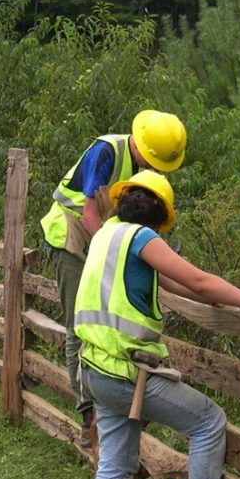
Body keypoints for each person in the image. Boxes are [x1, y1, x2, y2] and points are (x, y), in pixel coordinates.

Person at [75, 170, 240, 479]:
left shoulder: (108, 234)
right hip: (126, 373)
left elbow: (170, 281)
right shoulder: (142, 238)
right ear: (161, 217)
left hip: (95, 368)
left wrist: (223, 299)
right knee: (208, 421)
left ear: (123, 202)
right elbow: (197, 280)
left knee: (112, 465)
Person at [40, 110, 187, 449]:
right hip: (73, 234)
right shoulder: (106, 151)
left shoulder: (143, 169)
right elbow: (90, 213)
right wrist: (113, 253)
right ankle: (87, 414)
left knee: (112, 325)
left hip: (105, 239)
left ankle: (114, 403)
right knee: (80, 325)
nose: (156, 170)